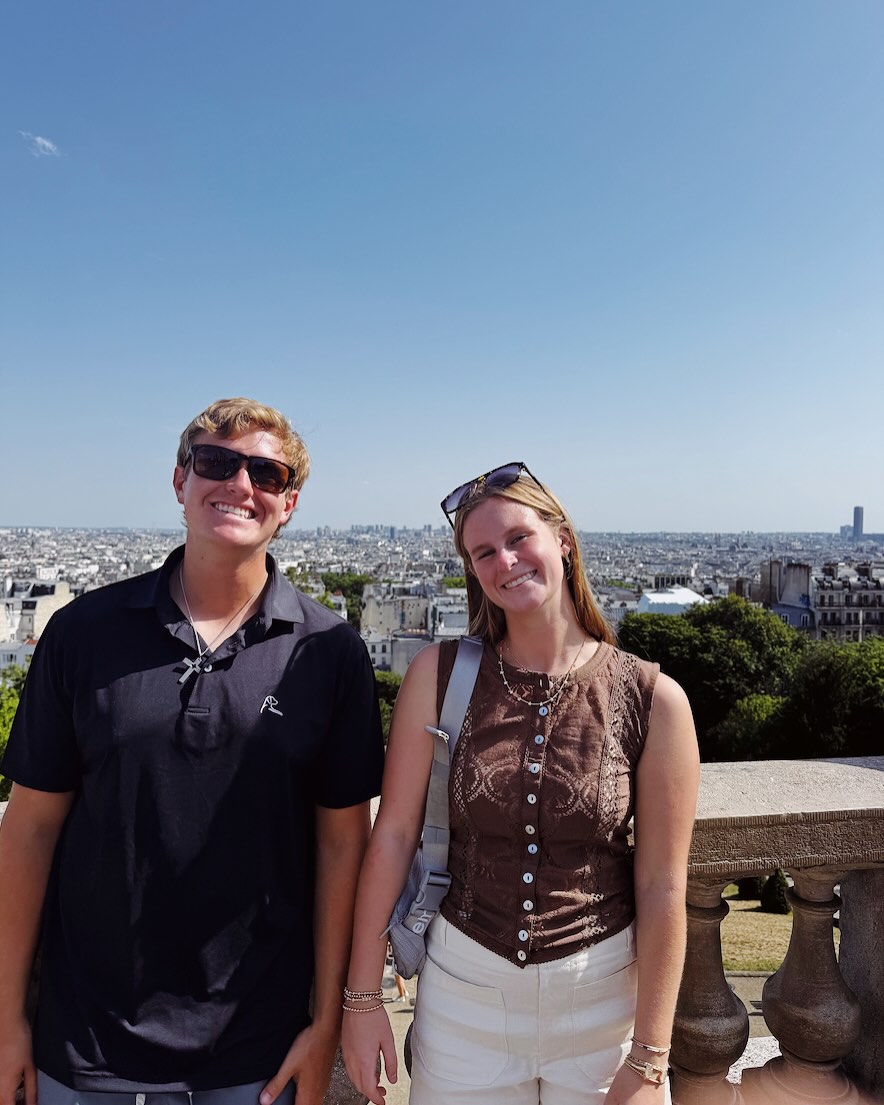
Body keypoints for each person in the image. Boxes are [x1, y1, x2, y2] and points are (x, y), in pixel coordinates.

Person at [0, 398, 384, 1105]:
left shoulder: (330, 653)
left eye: (265, 473)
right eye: (216, 461)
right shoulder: (83, 633)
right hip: (82, 1042)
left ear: (289, 503)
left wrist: (325, 1022)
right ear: (180, 479)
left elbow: (342, 847)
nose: (239, 484)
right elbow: (30, 829)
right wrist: (7, 1018)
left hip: (257, 1050)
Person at [342, 462, 699, 1104]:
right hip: (463, 999)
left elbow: (664, 884)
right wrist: (362, 1000)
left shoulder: (653, 698)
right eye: (483, 552)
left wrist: (650, 1057)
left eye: (517, 538)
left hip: (606, 1008)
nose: (504, 561)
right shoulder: (436, 675)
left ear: (563, 538)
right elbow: (392, 837)